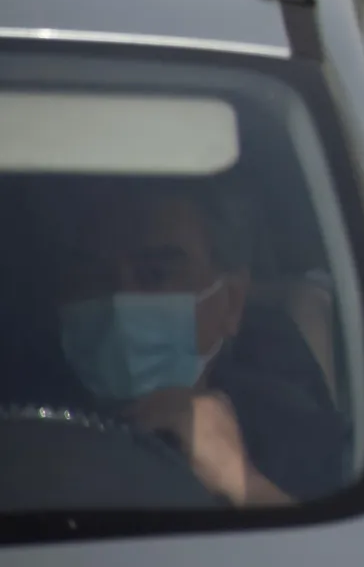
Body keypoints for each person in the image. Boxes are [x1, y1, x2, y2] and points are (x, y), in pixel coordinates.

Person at [54, 189, 348, 505]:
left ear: (231, 301)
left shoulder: (300, 442)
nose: (120, 302)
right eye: (94, 276)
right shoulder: (24, 429)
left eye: (156, 275)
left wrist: (243, 484)